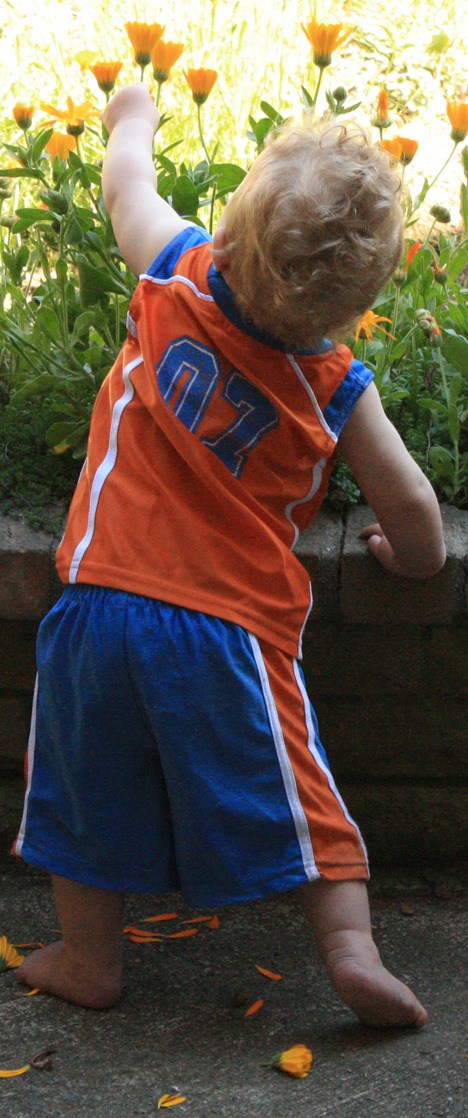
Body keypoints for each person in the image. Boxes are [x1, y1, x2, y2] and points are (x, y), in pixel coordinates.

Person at [14, 85, 446, 1023]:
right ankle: (349, 949)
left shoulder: (175, 267)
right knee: (302, 799)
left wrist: (133, 119)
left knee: (81, 794)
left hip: (94, 603)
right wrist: (411, 563)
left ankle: (89, 959)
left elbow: (126, 186)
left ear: (234, 226)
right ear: (365, 297)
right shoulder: (335, 382)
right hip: (229, 630)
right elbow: (414, 510)